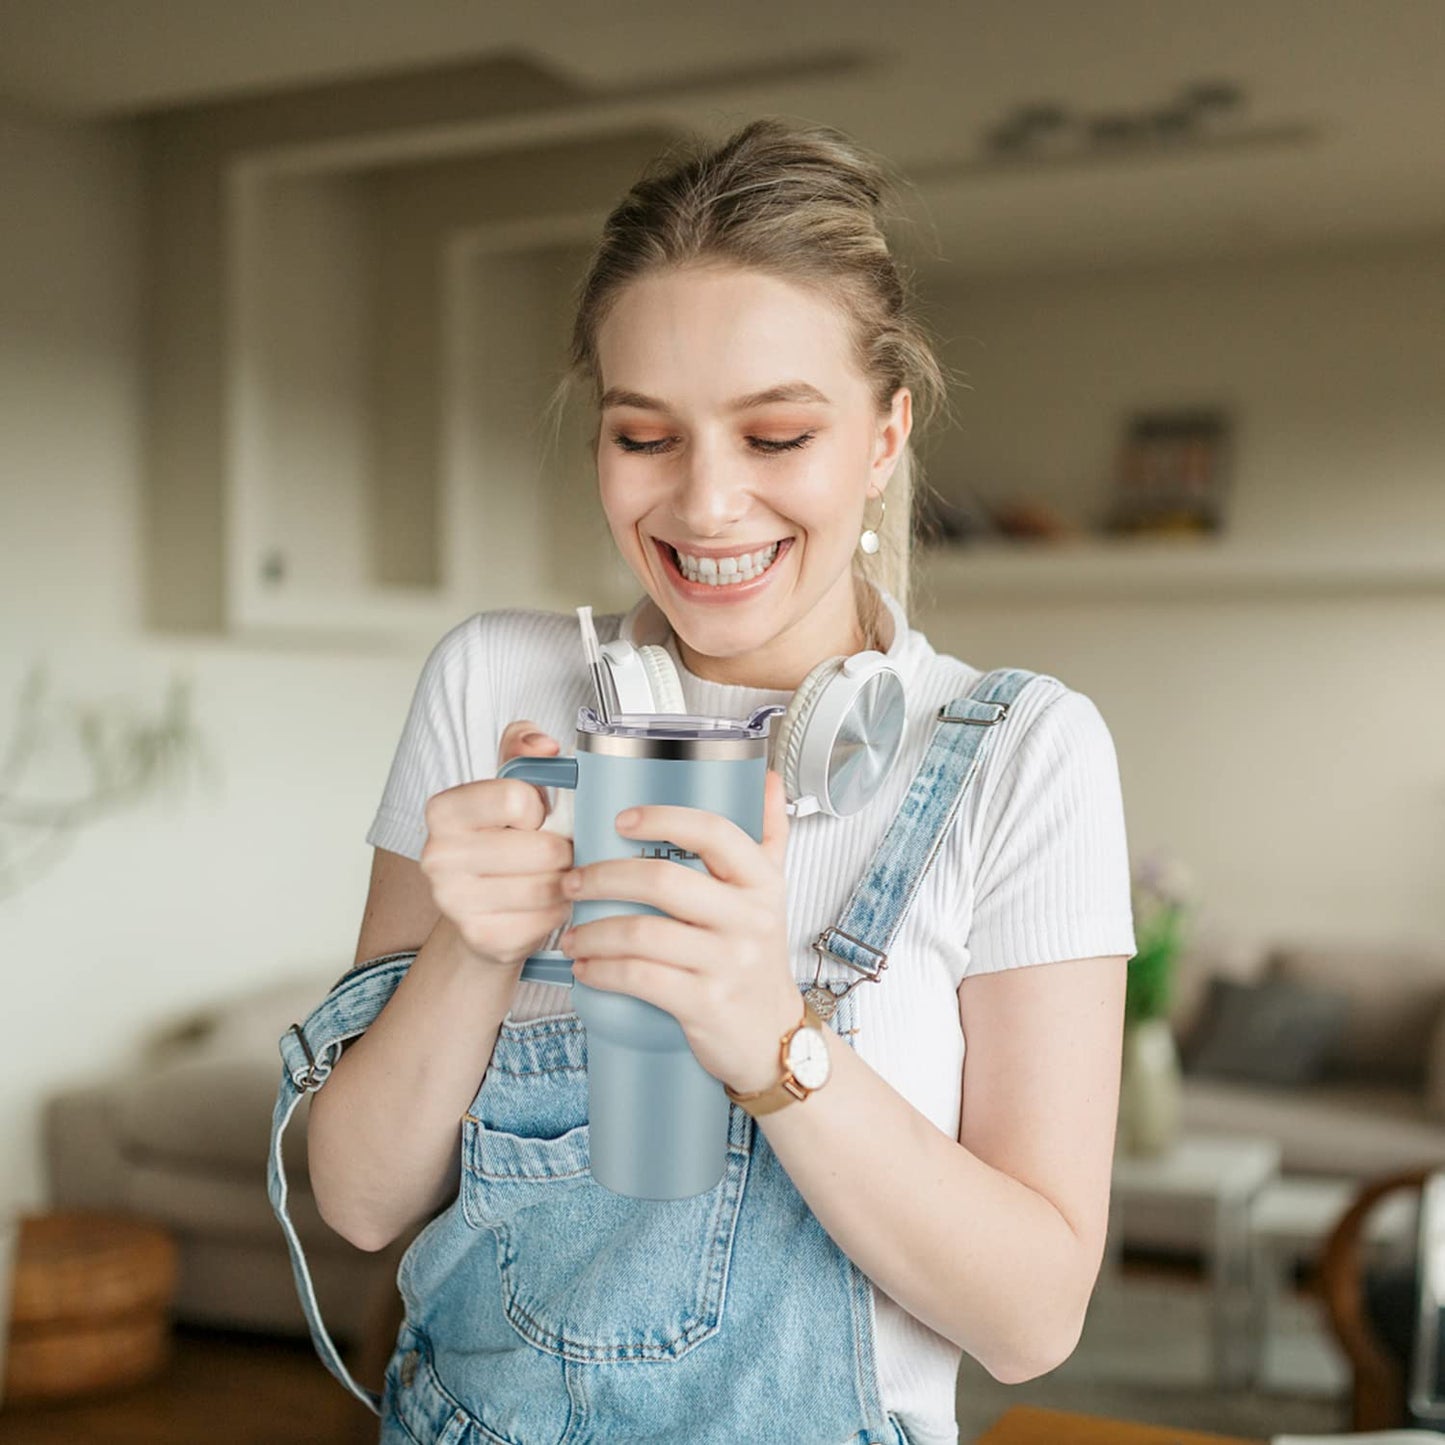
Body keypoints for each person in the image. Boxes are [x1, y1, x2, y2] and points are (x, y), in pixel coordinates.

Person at [287, 117, 1137, 1445]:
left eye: (776, 434)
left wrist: (768, 1036)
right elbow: (354, 1196)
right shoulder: (493, 686)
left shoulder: (1021, 754)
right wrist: (472, 945)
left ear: (881, 435)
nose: (706, 504)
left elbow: (1031, 1320)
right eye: (646, 437)